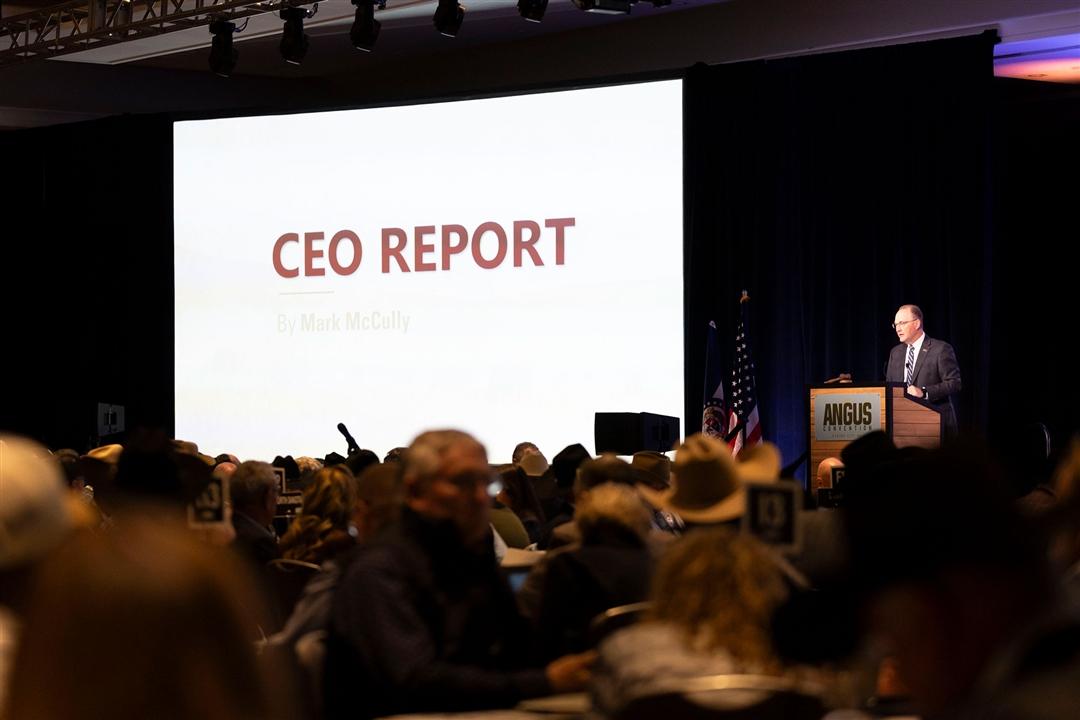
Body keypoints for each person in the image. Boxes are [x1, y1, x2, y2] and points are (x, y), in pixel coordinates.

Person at [323, 429, 594, 719]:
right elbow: (415, 682)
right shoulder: (378, 570)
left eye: (486, 483)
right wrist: (544, 682)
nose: (480, 498)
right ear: (414, 491)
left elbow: (516, 648)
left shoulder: (472, 556)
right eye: (463, 482)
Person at [885, 304, 962, 435]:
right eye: (895, 324)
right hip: (902, 426)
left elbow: (954, 383)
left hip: (935, 423)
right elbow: (889, 386)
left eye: (902, 323)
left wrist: (924, 392)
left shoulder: (940, 349)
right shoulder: (895, 353)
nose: (898, 329)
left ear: (916, 323)